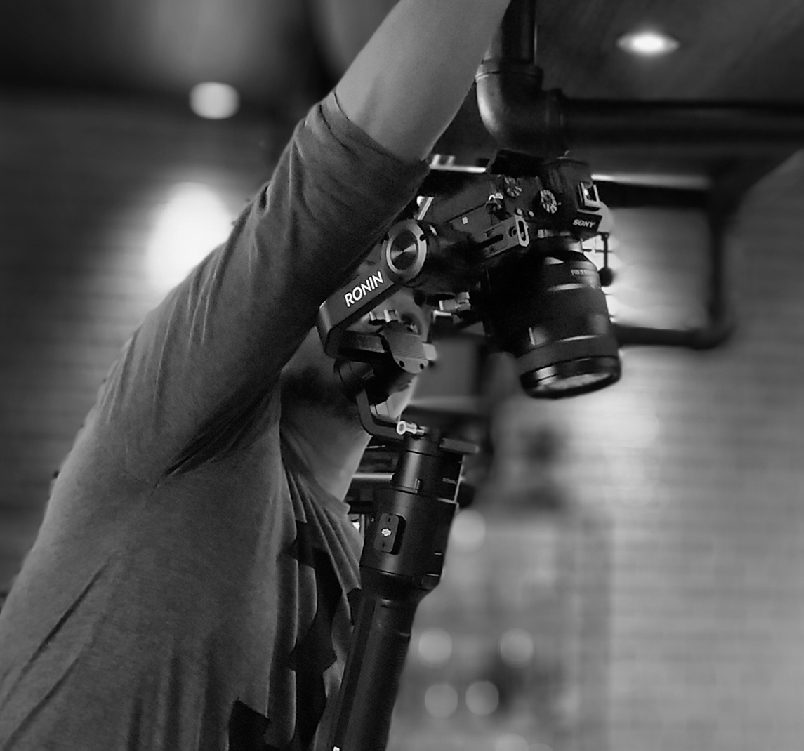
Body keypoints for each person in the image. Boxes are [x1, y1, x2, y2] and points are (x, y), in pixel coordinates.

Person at [0, 1, 512, 748]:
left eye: (410, 291)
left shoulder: (352, 567)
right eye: (363, 264)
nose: (388, 293)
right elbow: (338, 180)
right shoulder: (175, 420)